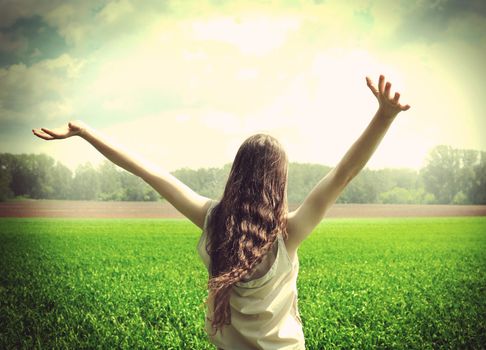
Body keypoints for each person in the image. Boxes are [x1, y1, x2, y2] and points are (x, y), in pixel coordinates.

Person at [33, 75, 410, 349]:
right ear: (278, 182)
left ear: (237, 174)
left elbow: (149, 171)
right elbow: (343, 175)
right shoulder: (289, 234)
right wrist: (384, 117)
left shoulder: (211, 219)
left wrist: (86, 132)